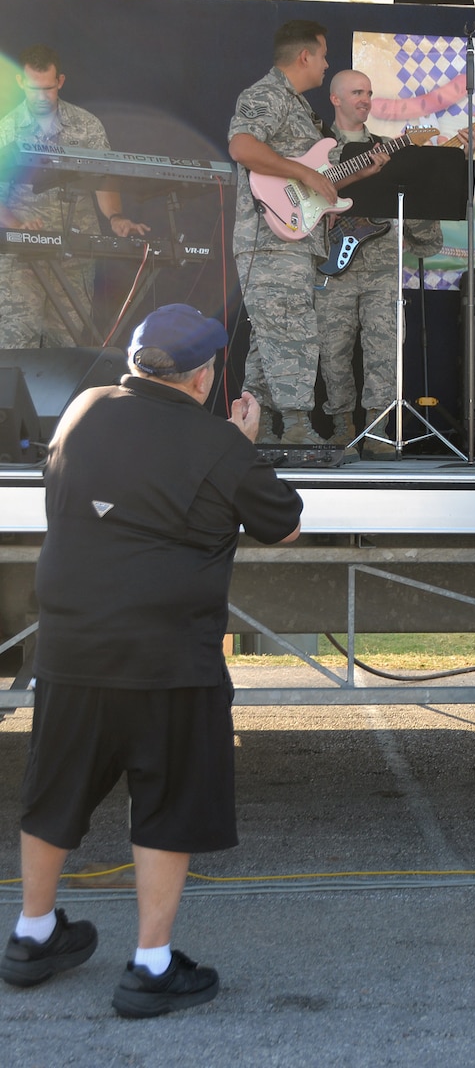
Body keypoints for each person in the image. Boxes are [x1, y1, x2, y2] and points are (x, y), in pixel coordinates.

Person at [0, 304, 303, 1017]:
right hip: (169, 656)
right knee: (164, 805)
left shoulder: (81, 408)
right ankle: (151, 966)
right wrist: (243, 444)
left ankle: (32, 934)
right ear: (204, 378)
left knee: (55, 790)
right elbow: (284, 524)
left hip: (71, 644)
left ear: (137, 363)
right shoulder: (217, 441)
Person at [228, 23, 387, 446]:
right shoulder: (267, 94)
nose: (326, 63)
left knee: (269, 339)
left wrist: (359, 173)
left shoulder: (299, 107)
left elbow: (311, 186)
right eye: (323, 55)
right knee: (291, 330)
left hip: (293, 239)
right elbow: (242, 147)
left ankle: (255, 427)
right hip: (269, 240)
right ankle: (296, 429)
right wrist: (302, 172)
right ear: (305, 57)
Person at [315, 69, 445, 461]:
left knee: (385, 351)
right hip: (330, 266)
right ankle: (342, 430)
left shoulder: (391, 150)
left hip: (383, 269)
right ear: (335, 98)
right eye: (357, 92)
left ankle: (378, 429)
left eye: (369, 92)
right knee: (332, 352)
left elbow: (424, 225)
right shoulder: (315, 148)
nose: (365, 99)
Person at [0, 43, 150, 349]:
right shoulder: (7, 129)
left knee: (66, 342)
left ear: (61, 81)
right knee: (17, 340)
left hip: (75, 252)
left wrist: (115, 217)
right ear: (20, 83)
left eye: (48, 88)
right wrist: (17, 224)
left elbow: (103, 177)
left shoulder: (86, 124)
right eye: (33, 88)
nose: (41, 97)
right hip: (21, 257)